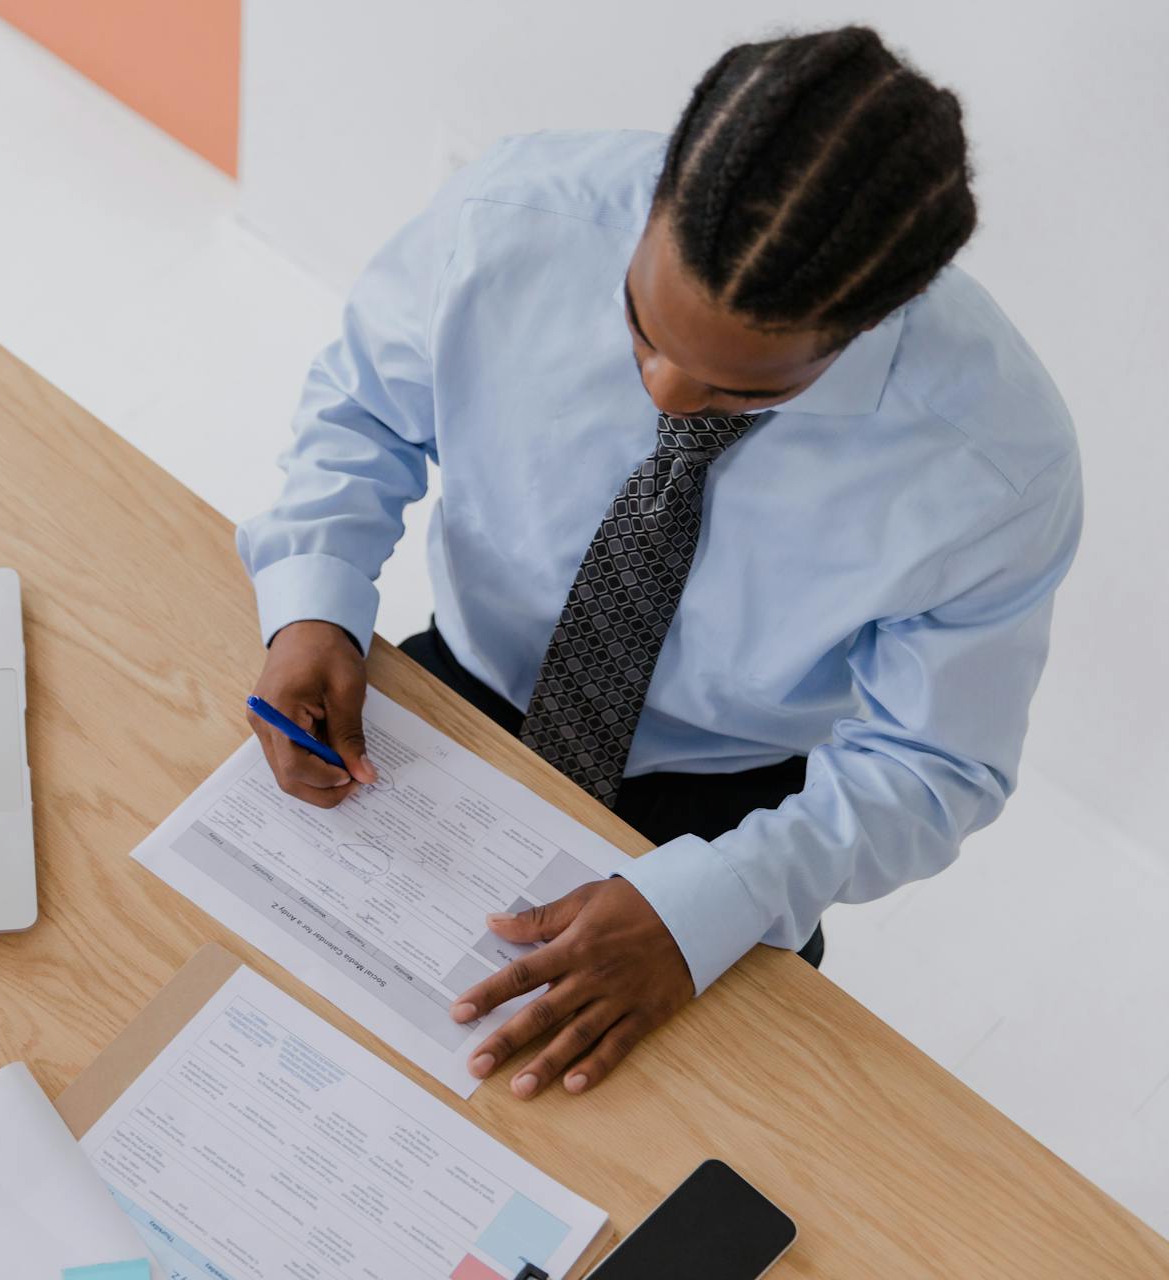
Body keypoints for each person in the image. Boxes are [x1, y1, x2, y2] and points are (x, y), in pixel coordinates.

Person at [237, 25, 1080, 1102]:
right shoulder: (512, 218)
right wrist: (312, 600)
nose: (668, 394)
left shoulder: (994, 467)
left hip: (737, 806)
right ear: (656, 196)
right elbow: (364, 412)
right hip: (467, 687)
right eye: (642, 326)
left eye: (744, 392)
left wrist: (704, 908)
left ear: (870, 325)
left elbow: (932, 765)